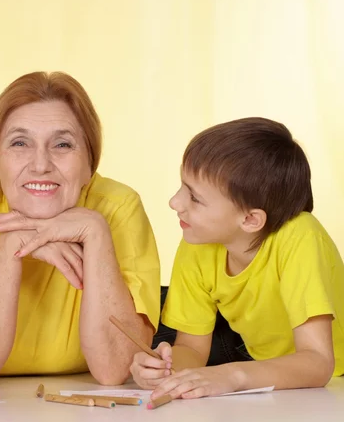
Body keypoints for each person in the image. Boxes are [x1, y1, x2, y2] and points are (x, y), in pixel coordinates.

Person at [0, 71, 161, 387]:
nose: (41, 164)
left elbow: (116, 368)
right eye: (20, 142)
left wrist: (94, 231)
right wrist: (13, 243)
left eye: (63, 144)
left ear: (89, 167)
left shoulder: (117, 207)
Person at [131, 117, 344, 399]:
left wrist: (233, 374)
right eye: (182, 185)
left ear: (250, 219)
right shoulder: (198, 240)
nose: (175, 202)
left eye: (195, 198)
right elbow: (193, 349)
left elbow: (318, 363)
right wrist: (165, 368)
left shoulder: (300, 236)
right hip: (259, 360)